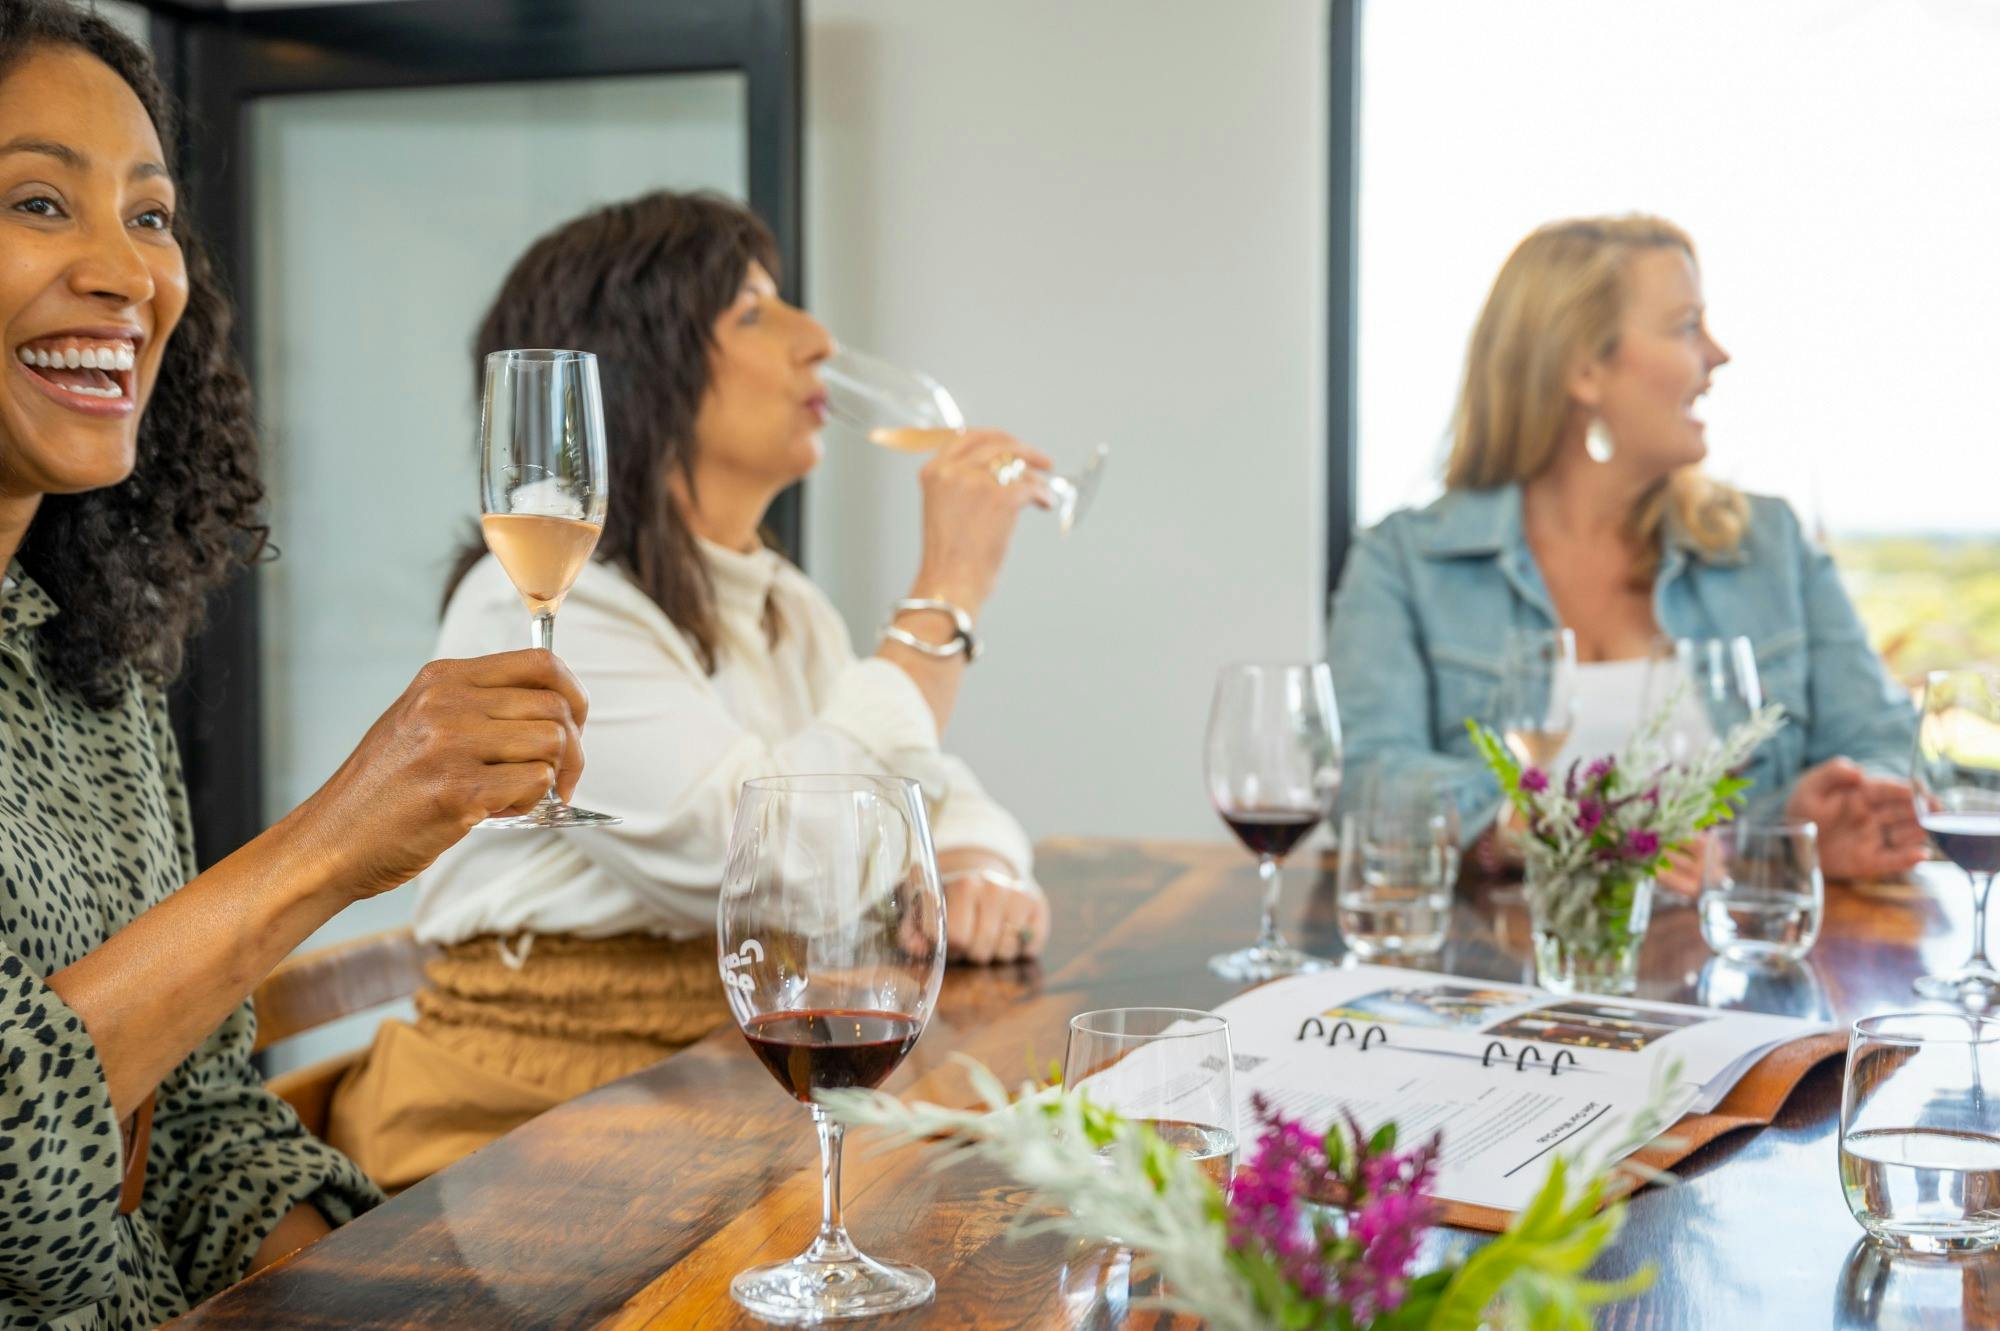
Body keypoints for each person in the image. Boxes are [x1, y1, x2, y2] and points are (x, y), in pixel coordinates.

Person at [0, 4, 594, 1325]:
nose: (127, 273)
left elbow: (206, 1113)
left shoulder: (83, 658)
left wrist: (403, 1291)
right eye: (40, 202)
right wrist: (331, 842)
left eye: (149, 216)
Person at [326, 190, 1050, 1189]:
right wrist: (946, 595)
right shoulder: (541, 603)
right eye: (752, 310)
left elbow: (918, 779)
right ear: (635, 363)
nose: (817, 340)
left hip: (709, 1089)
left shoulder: (780, 601)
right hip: (526, 1124)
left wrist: (977, 865)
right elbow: (785, 866)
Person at [1329, 214, 1922, 888]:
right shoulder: (1404, 561)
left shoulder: (1770, 545)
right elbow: (1365, 777)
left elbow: (1887, 740)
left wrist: (1819, 820)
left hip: (1732, 966)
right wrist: (1541, 824)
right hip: (1496, 969)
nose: (1718, 354)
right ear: (1583, 368)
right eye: (1686, 325)